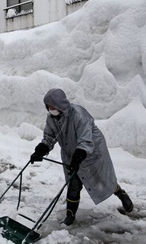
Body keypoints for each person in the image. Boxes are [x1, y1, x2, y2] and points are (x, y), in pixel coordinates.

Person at [30, 88, 133, 226]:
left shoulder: (79, 115)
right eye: (48, 106)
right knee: (73, 184)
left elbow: (85, 140)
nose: (50, 109)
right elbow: (49, 137)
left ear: (60, 104)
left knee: (103, 181)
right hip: (70, 154)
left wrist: (78, 156)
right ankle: (70, 215)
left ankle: (120, 192)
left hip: (91, 153)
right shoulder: (51, 118)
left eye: (52, 106)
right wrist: (41, 150)